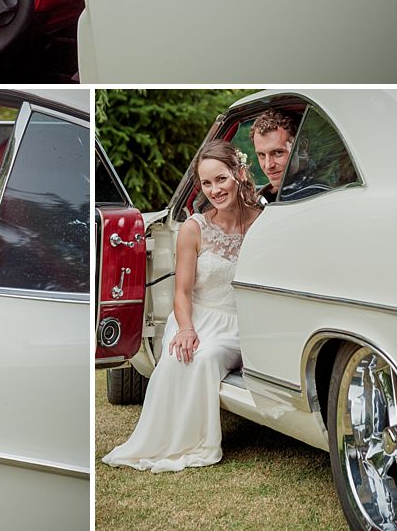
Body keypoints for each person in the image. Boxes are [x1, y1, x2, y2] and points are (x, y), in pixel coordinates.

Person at [102, 140, 263, 473]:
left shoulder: (264, 222)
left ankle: (198, 440)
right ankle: (179, 442)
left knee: (206, 357)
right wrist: (186, 328)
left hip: (241, 323)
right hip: (197, 316)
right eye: (206, 183)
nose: (215, 189)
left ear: (238, 173)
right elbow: (182, 292)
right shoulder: (194, 228)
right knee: (188, 355)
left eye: (221, 179)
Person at [249, 109, 298, 202]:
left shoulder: (316, 193)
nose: (268, 165)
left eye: (278, 153)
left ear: (302, 146)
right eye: (262, 155)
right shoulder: (266, 195)